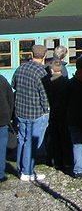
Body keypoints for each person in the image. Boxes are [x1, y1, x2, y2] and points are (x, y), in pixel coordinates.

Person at [12, 43, 50, 182]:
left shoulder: (21, 68)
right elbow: (45, 95)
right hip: (37, 113)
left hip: (21, 110)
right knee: (32, 143)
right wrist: (47, 111)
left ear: (31, 54)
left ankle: (21, 169)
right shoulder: (42, 72)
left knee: (22, 140)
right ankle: (27, 172)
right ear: (44, 56)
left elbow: (14, 85)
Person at [43, 59, 72, 171]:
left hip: (53, 113)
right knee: (66, 138)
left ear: (51, 70)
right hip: (65, 113)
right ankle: (68, 161)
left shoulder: (47, 82)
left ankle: (56, 161)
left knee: (54, 138)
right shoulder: (66, 83)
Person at [0, 75, 14, 182]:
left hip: (3, 117)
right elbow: (10, 98)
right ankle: (0, 173)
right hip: (2, 117)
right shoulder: (2, 79)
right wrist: (9, 115)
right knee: (1, 147)